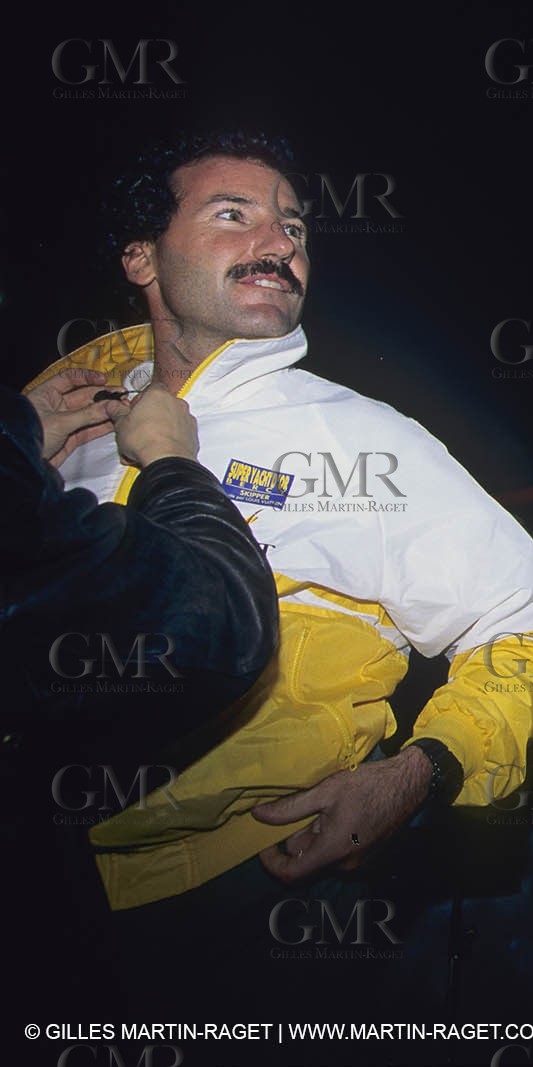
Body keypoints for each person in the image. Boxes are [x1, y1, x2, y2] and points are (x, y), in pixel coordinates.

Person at [30, 130, 533, 1011]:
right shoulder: (63, 433)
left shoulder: (363, 439)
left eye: (293, 226)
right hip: (49, 899)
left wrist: (421, 770)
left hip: (261, 893)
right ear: (141, 255)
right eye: (232, 215)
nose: (279, 243)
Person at [4, 370, 279, 1023]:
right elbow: (219, 619)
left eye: (306, 253)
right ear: (139, 260)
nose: (289, 258)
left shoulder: (366, 431)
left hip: (242, 871)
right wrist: (171, 460)